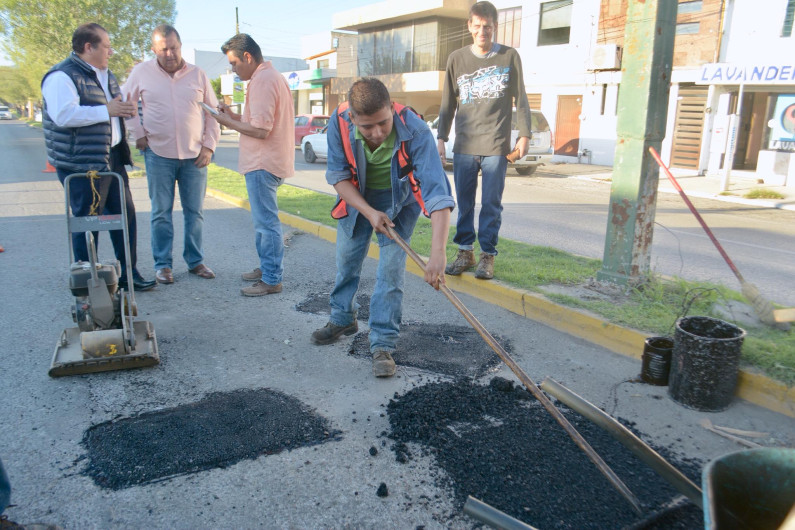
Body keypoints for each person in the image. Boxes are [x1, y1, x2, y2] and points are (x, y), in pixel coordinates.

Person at [311, 78, 454, 378]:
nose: (376, 133)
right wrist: (369, 212)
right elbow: (338, 177)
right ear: (352, 119)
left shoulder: (415, 129)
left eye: (383, 123)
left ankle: (382, 344)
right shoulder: (338, 123)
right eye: (367, 127)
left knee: (390, 270)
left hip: (399, 202)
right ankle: (342, 318)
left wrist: (437, 253)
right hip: (356, 197)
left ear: (392, 108)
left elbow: (437, 192)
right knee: (347, 260)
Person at [42, 23, 156, 291]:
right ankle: (87, 282)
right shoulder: (62, 76)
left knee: (124, 216)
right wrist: (107, 109)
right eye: (106, 46)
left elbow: (111, 110)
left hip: (112, 158)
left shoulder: (106, 74)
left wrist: (123, 110)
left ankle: (128, 274)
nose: (111, 51)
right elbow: (63, 115)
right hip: (82, 164)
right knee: (87, 222)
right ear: (88, 47)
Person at [436, 1, 532, 281]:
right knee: (464, 203)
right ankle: (465, 252)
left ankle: (487, 255)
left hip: (496, 145)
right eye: (477, 26)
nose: (482, 32)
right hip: (464, 144)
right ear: (469, 26)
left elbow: (522, 97)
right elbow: (447, 103)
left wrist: (524, 134)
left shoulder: (509, 56)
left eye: (487, 27)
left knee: (491, 203)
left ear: (495, 27)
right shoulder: (456, 58)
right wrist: (441, 138)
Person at [123, 25, 220, 285]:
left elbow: (213, 113)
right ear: (154, 49)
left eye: (173, 47)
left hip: (194, 157)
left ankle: (195, 261)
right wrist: (137, 132)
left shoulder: (198, 75)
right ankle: (163, 265)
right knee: (161, 212)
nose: (169, 53)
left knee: (194, 212)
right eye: (163, 49)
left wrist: (209, 146)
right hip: (158, 154)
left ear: (180, 45)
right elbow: (127, 104)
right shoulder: (141, 72)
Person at [207, 34, 294, 297]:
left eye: (233, 63)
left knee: (266, 224)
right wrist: (232, 116)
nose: (232, 69)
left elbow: (260, 130)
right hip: (266, 161)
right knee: (263, 223)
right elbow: (257, 121)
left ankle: (271, 278)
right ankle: (268, 268)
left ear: (247, 57)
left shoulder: (263, 80)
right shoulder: (268, 77)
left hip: (262, 163)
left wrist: (225, 122)